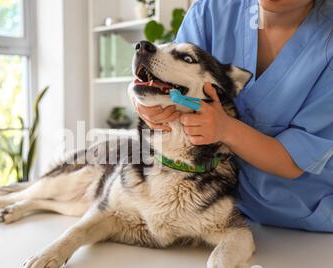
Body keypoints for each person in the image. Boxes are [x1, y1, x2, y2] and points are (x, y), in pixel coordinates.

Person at [133, 0, 333, 232]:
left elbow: (294, 161)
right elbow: (166, 74)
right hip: (207, 209)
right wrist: (143, 100)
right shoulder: (211, 11)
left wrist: (226, 129)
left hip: (295, 219)